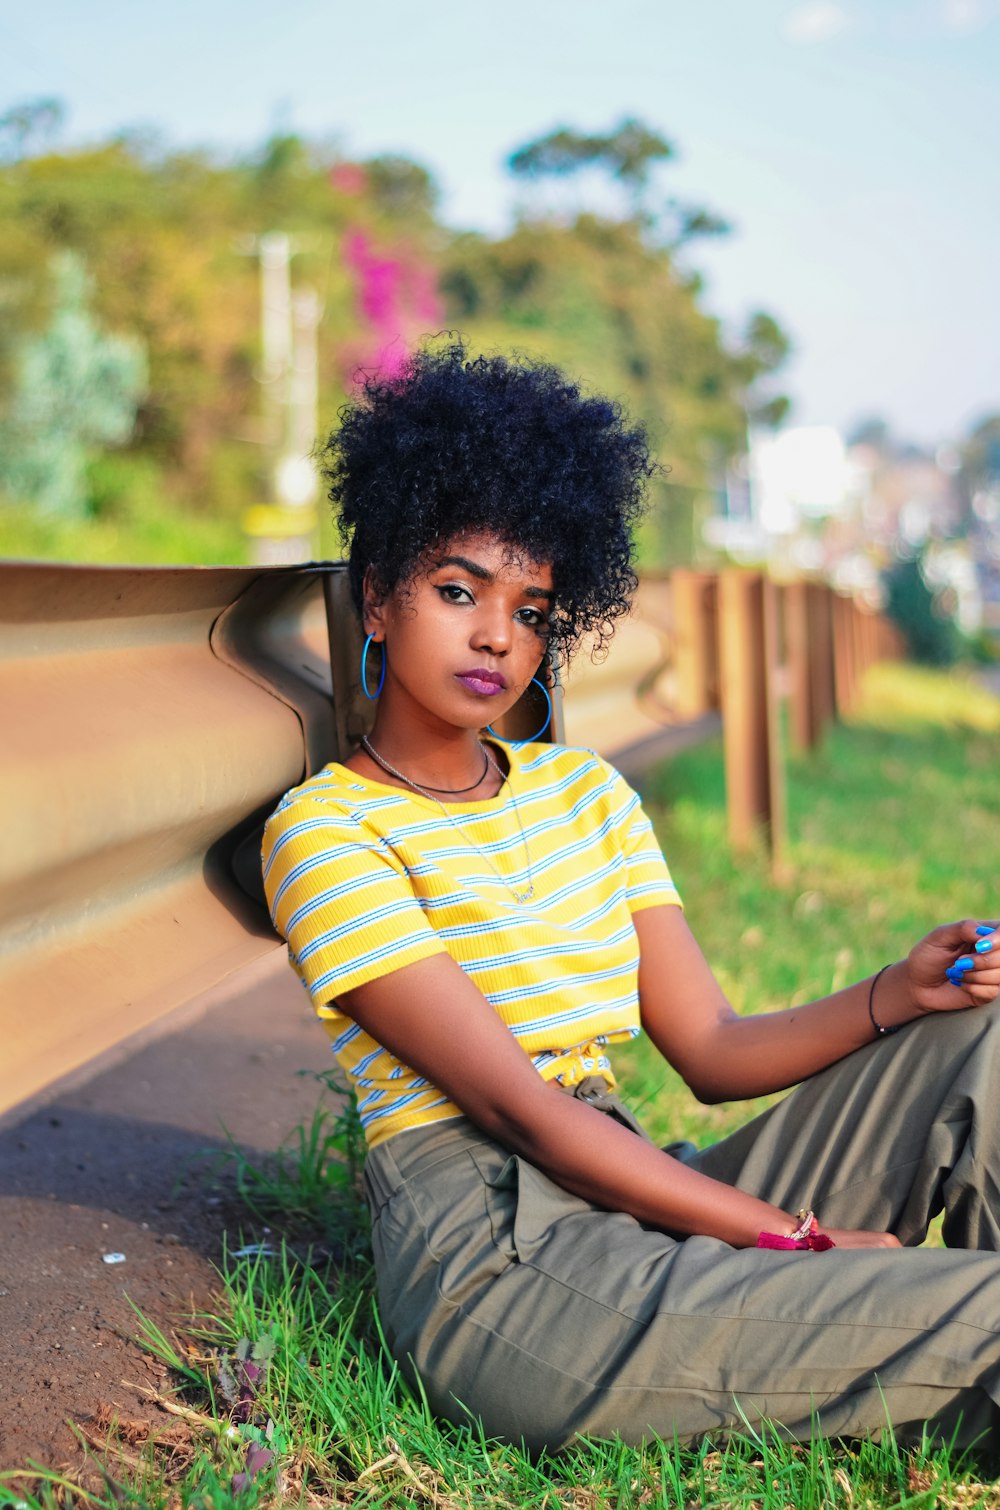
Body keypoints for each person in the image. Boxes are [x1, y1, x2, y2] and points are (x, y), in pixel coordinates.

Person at [262, 341, 1000, 1456]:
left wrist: (890, 995)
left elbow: (708, 1047)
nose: (496, 635)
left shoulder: (584, 792)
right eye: (457, 590)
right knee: (982, 1307)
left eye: (532, 606)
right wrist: (798, 1242)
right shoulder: (326, 833)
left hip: (630, 1190)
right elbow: (519, 1113)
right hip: (508, 1276)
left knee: (984, 1040)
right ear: (376, 596)